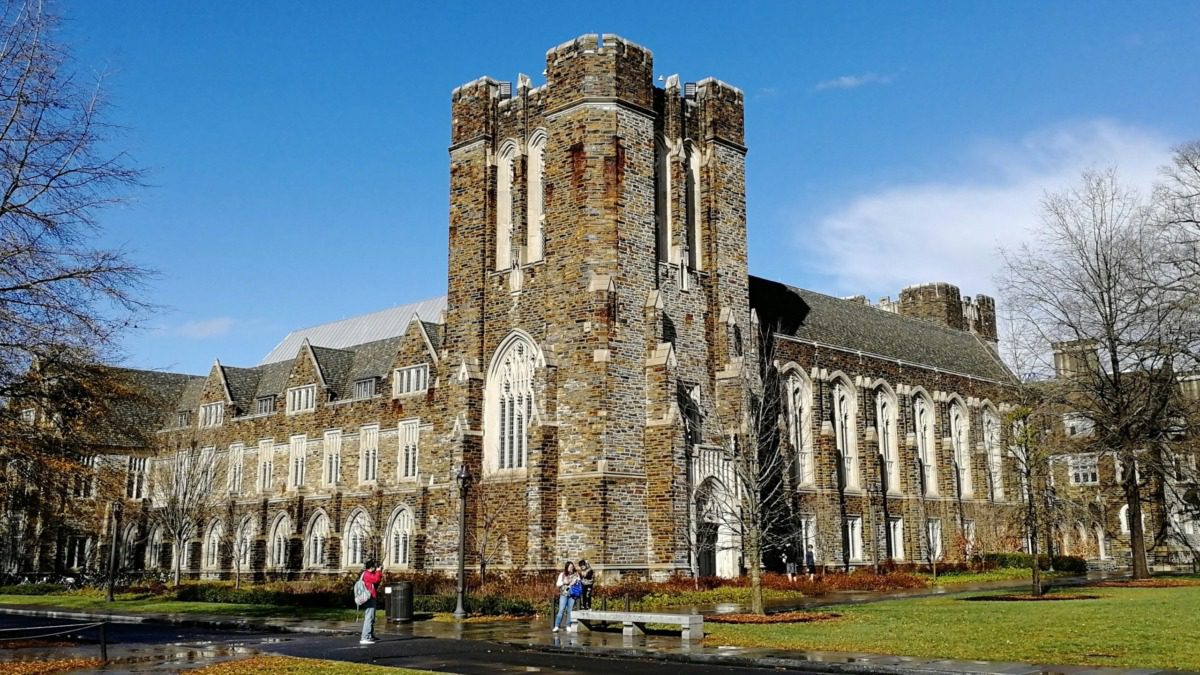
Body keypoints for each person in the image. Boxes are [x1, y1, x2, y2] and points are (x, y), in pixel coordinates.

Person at [359, 561, 383, 644]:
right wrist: (379, 571)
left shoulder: (366, 573)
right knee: (369, 617)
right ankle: (365, 637)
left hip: (370, 597)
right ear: (372, 567)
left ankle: (370, 635)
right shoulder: (367, 574)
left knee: (371, 617)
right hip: (369, 597)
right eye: (374, 567)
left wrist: (378, 572)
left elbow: (377, 581)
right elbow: (376, 579)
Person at [552, 560, 580, 632]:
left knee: (569, 611)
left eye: (572, 567)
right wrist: (564, 582)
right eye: (570, 567)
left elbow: (579, 583)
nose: (571, 568)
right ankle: (556, 626)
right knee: (561, 610)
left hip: (572, 595)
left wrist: (576, 581)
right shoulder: (562, 574)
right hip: (564, 594)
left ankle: (568, 625)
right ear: (567, 568)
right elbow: (557, 584)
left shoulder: (576, 574)